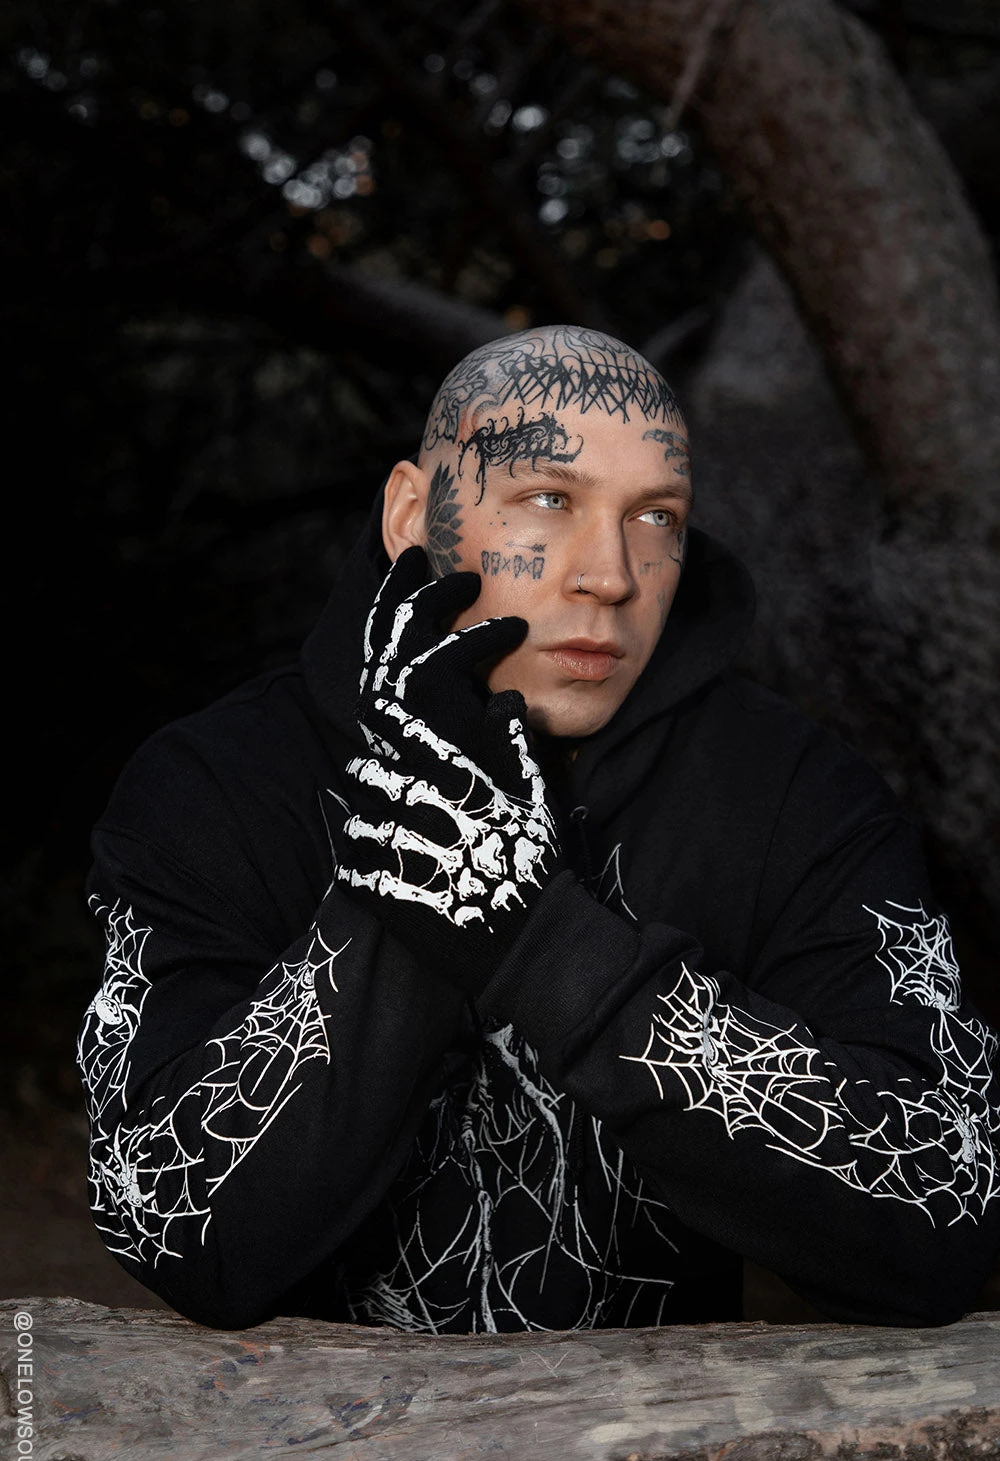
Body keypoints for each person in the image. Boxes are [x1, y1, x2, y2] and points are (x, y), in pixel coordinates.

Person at [78, 324, 1000, 1332]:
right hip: (298, 1434)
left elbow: (944, 1211)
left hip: (666, 1434)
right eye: (551, 500)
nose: (611, 575)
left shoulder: (797, 795)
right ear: (411, 516)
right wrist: (413, 876)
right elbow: (168, 1219)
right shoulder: (214, 784)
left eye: (655, 516)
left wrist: (549, 949)